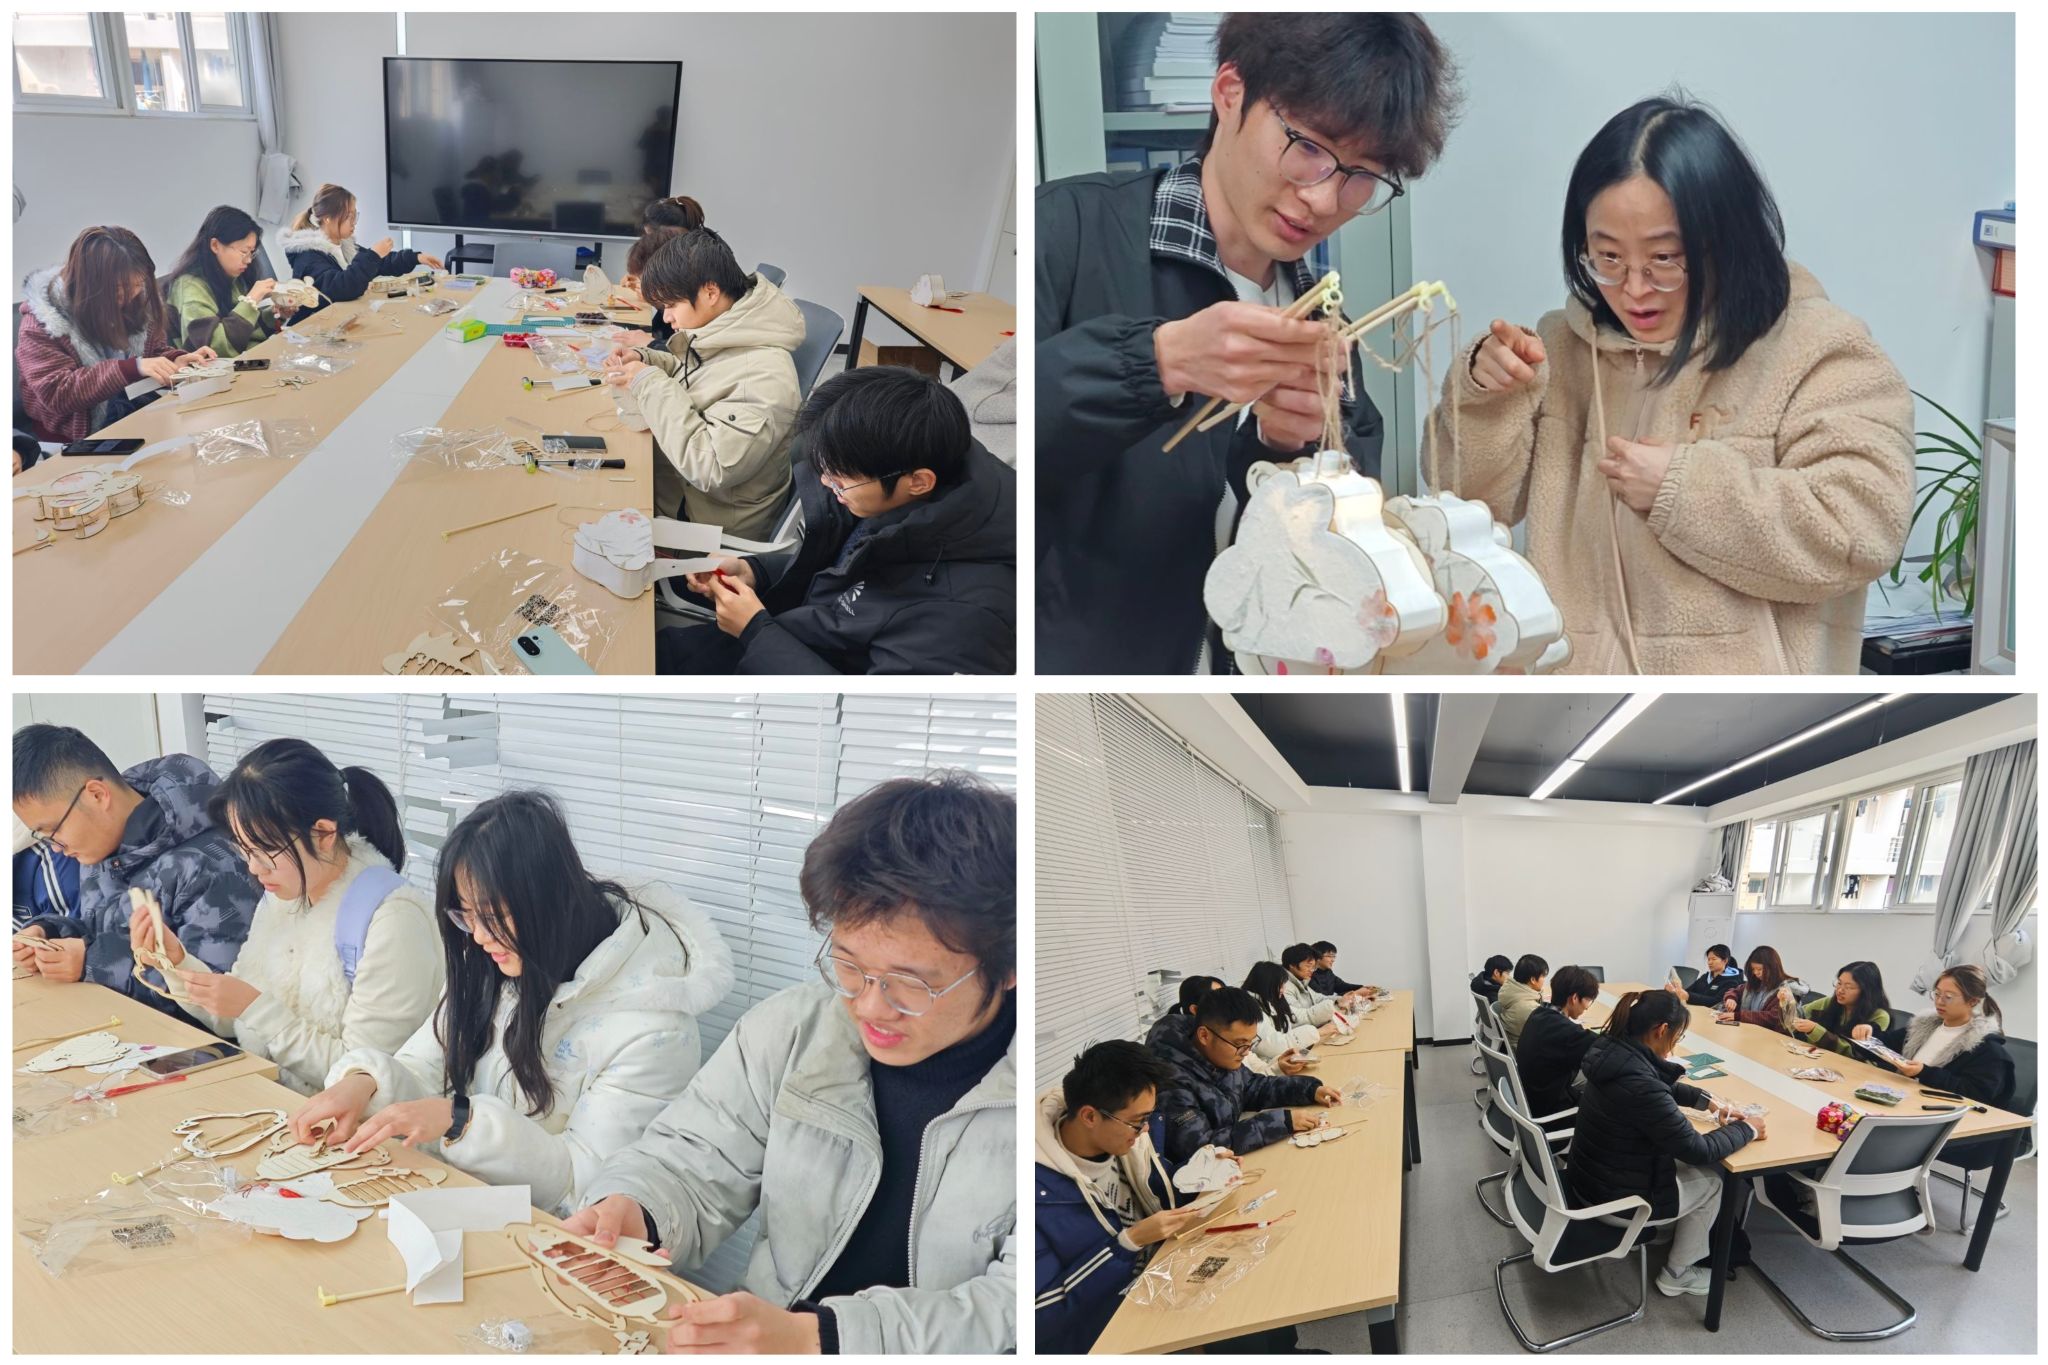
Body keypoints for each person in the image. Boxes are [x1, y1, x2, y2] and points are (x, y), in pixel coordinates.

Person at [1426, 96, 1912, 674]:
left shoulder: (1818, 349)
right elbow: (1465, 506)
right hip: (1572, 697)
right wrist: (1488, 398)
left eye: (1664, 259)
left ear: (1726, 242)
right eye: (1608, 258)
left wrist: (1683, 490)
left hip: (1743, 712)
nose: (1634, 289)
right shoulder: (1560, 349)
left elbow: (1863, 528)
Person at [1036, 13, 1460, 674]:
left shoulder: (1324, 319)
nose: (1324, 199)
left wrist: (1287, 447)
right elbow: (983, 445)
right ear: (1230, 93)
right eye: (1309, 147)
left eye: (1361, 175)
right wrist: (1156, 363)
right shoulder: (1068, 230)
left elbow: (1336, 548)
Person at [566, 773, 1016, 1354]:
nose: (870, 1006)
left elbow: (1011, 1307)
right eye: (849, 966)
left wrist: (820, 1339)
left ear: (1007, 969)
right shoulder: (792, 1031)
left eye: (911, 984)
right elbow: (692, 1161)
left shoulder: (1041, 1101)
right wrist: (636, 1209)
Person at [291, 791, 732, 1217]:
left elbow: (585, 1188)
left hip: (550, 1244)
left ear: (547, 900)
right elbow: (426, 1064)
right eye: (466, 915)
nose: (479, 937)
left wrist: (462, 1121)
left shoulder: (654, 1031)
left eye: (492, 916)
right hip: (457, 1208)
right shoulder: (496, 961)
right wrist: (365, 1082)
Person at [660, 366, 1015, 676]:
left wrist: (755, 631)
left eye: (840, 480)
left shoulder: (964, 621)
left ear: (919, 481)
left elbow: (871, 716)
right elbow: (843, 574)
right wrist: (755, 571)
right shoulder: (911, 486)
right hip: (785, 638)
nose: (828, 485)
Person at [138, 739, 441, 1095]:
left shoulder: (393, 921)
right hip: (279, 1102)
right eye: (244, 850)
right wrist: (176, 962)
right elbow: (235, 1016)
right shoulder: (283, 897)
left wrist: (254, 1008)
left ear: (324, 834)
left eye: (265, 850)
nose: (254, 868)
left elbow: (362, 1076)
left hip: (359, 1122)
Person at [12, 725, 257, 1016]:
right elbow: (100, 930)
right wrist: (50, 934)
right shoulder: (103, 846)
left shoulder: (214, 863)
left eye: (53, 831)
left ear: (97, 795)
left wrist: (92, 963)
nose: (54, 848)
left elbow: (214, 1002)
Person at [603, 227, 802, 538]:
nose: (666, 318)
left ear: (710, 292)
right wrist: (646, 359)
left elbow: (710, 466)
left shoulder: (766, 377)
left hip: (711, 530)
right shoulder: (729, 330)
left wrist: (648, 382)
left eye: (672, 305)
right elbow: (697, 375)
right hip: (686, 495)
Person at [1568, 988, 1761, 1297]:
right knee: (1713, 1182)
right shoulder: (1641, 1085)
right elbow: (1698, 1150)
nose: (1675, 1042)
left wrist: (1707, 1101)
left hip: (1590, 1179)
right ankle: (1677, 1274)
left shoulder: (1611, 1051)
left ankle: (1663, 1230)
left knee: (1680, 1159)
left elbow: (1654, 1084)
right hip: (1616, 1199)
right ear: (1661, 1030)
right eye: (1677, 1036)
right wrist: (1748, 1129)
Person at [1035, 1040, 1202, 1354]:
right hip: (1112, 1330)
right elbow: (1038, 1316)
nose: (1145, 1130)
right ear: (1089, 1116)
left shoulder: (1125, 1140)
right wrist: (1128, 1243)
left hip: (1167, 1280)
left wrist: (1205, 1171)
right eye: (1137, 1121)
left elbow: (1159, 1191)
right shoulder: (1038, 1193)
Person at [16, 226, 215, 444]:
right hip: (74, 440)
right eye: (121, 288)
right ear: (92, 286)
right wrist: (130, 368)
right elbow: (57, 393)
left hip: (133, 415)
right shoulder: (41, 323)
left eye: (138, 284)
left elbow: (151, 353)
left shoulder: (136, 300)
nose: (133, 294)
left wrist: (173, 361)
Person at [1152, 985, 1337, 1163]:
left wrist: (1309, 1089)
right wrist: (1281, 1122)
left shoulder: (1218, 1054)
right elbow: (1199, 1148)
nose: (1246, 1053)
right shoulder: (1170, 1080)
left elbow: (1252, 1086)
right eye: (1240, 1044)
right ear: (1204, 1036)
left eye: (1250, 1043)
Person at [278, 183, 441, 318]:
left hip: (340, 320)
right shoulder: (308, 256)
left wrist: (415, 257)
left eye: (355, 216)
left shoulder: (344, 245)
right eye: (349, 217)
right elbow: (343, 287)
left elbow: (380, 263)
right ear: (328, 218)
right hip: (313, 330)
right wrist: (374, 255)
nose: (354, 222)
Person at [1864, 965, 2014, 1109]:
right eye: (1937, 994)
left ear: (1972, 1001)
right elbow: (1886, 1045)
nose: (1939, 1001)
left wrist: (1924, 1072)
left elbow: (1977, 1095)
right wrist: (1869, 1032)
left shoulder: (1987, 1048)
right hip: (1900, 1098)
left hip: (1935, 1112)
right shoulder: (1923, 1026)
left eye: (1948, 997)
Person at [162, 204, 299, 357]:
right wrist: (251, 301)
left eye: (252, 252)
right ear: (215, 245)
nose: (248, 260)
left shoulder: (231, 275)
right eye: (244, 251)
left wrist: (274, 315)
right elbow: (213, 350)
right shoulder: (190, 287)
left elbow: (241, 332)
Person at [1514, 964, 1602, 1122]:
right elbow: (1605, 1049)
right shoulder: (1566, 1033)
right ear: (1574, 998)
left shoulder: (1538, 1014)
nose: (1587, 1008)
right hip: (1551, 1114)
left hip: (1533, 1097)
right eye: (1588, 1000)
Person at [1241, 960, 1337, 1066]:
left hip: (1284, 1058)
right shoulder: (1250, 1010)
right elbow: (1275, 1046)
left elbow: (1301, 1015)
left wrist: (1334, 1005)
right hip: (1271, 1065)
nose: (1283, 990)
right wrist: (1317, 1032)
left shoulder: (1271, 1000)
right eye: (1280, 985)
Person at [1788, 960, 1891, 1059]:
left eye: (1849, 987)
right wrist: (1788, 1003)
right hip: (1818, 1059)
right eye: (1839, 983)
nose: (1840, 990)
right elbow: (1797, 1016)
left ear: (1866, 991)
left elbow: (1855, 1053)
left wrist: (1815, 1030)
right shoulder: (1829, 1002)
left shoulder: (1879, 1016)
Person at [1280, 940, 1367, 1021]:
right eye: (1308, 966)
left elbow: (1319, 998)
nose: (1311, 970)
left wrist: (1339, 999)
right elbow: (1298, 1018)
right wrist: (1336, 1006)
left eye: (1313, 967)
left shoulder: (1302, 981)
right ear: (1292, 965)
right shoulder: (1284, 987)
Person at [1717, 946, 1796, 1030]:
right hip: (1748, 1030)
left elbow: (1774, 1017)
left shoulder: (1785, 990)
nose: (1756, 973)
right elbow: (1735, 991)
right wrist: (1731, 998)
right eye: (1753, 969)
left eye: (1759, 969)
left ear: (1772, 967)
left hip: (1769, 1034)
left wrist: (1739, 1016)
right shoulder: (1755, 983)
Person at [1497, 953, 1548, 1050]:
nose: (1544, 980)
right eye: (1543, 976)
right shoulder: (1529, 1008)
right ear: (1533, 979)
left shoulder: (1510, 990)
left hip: (1517, 1044)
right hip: (1525, 1051)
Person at [1683, 943, 1743, 1008]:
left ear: (1725, 961)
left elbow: (1716, 1002)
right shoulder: (1705, 977)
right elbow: (1688, 990)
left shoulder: (1732, 981)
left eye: (1714, 959)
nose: (1710, 962)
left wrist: (1689, 996)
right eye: (1708, 959)